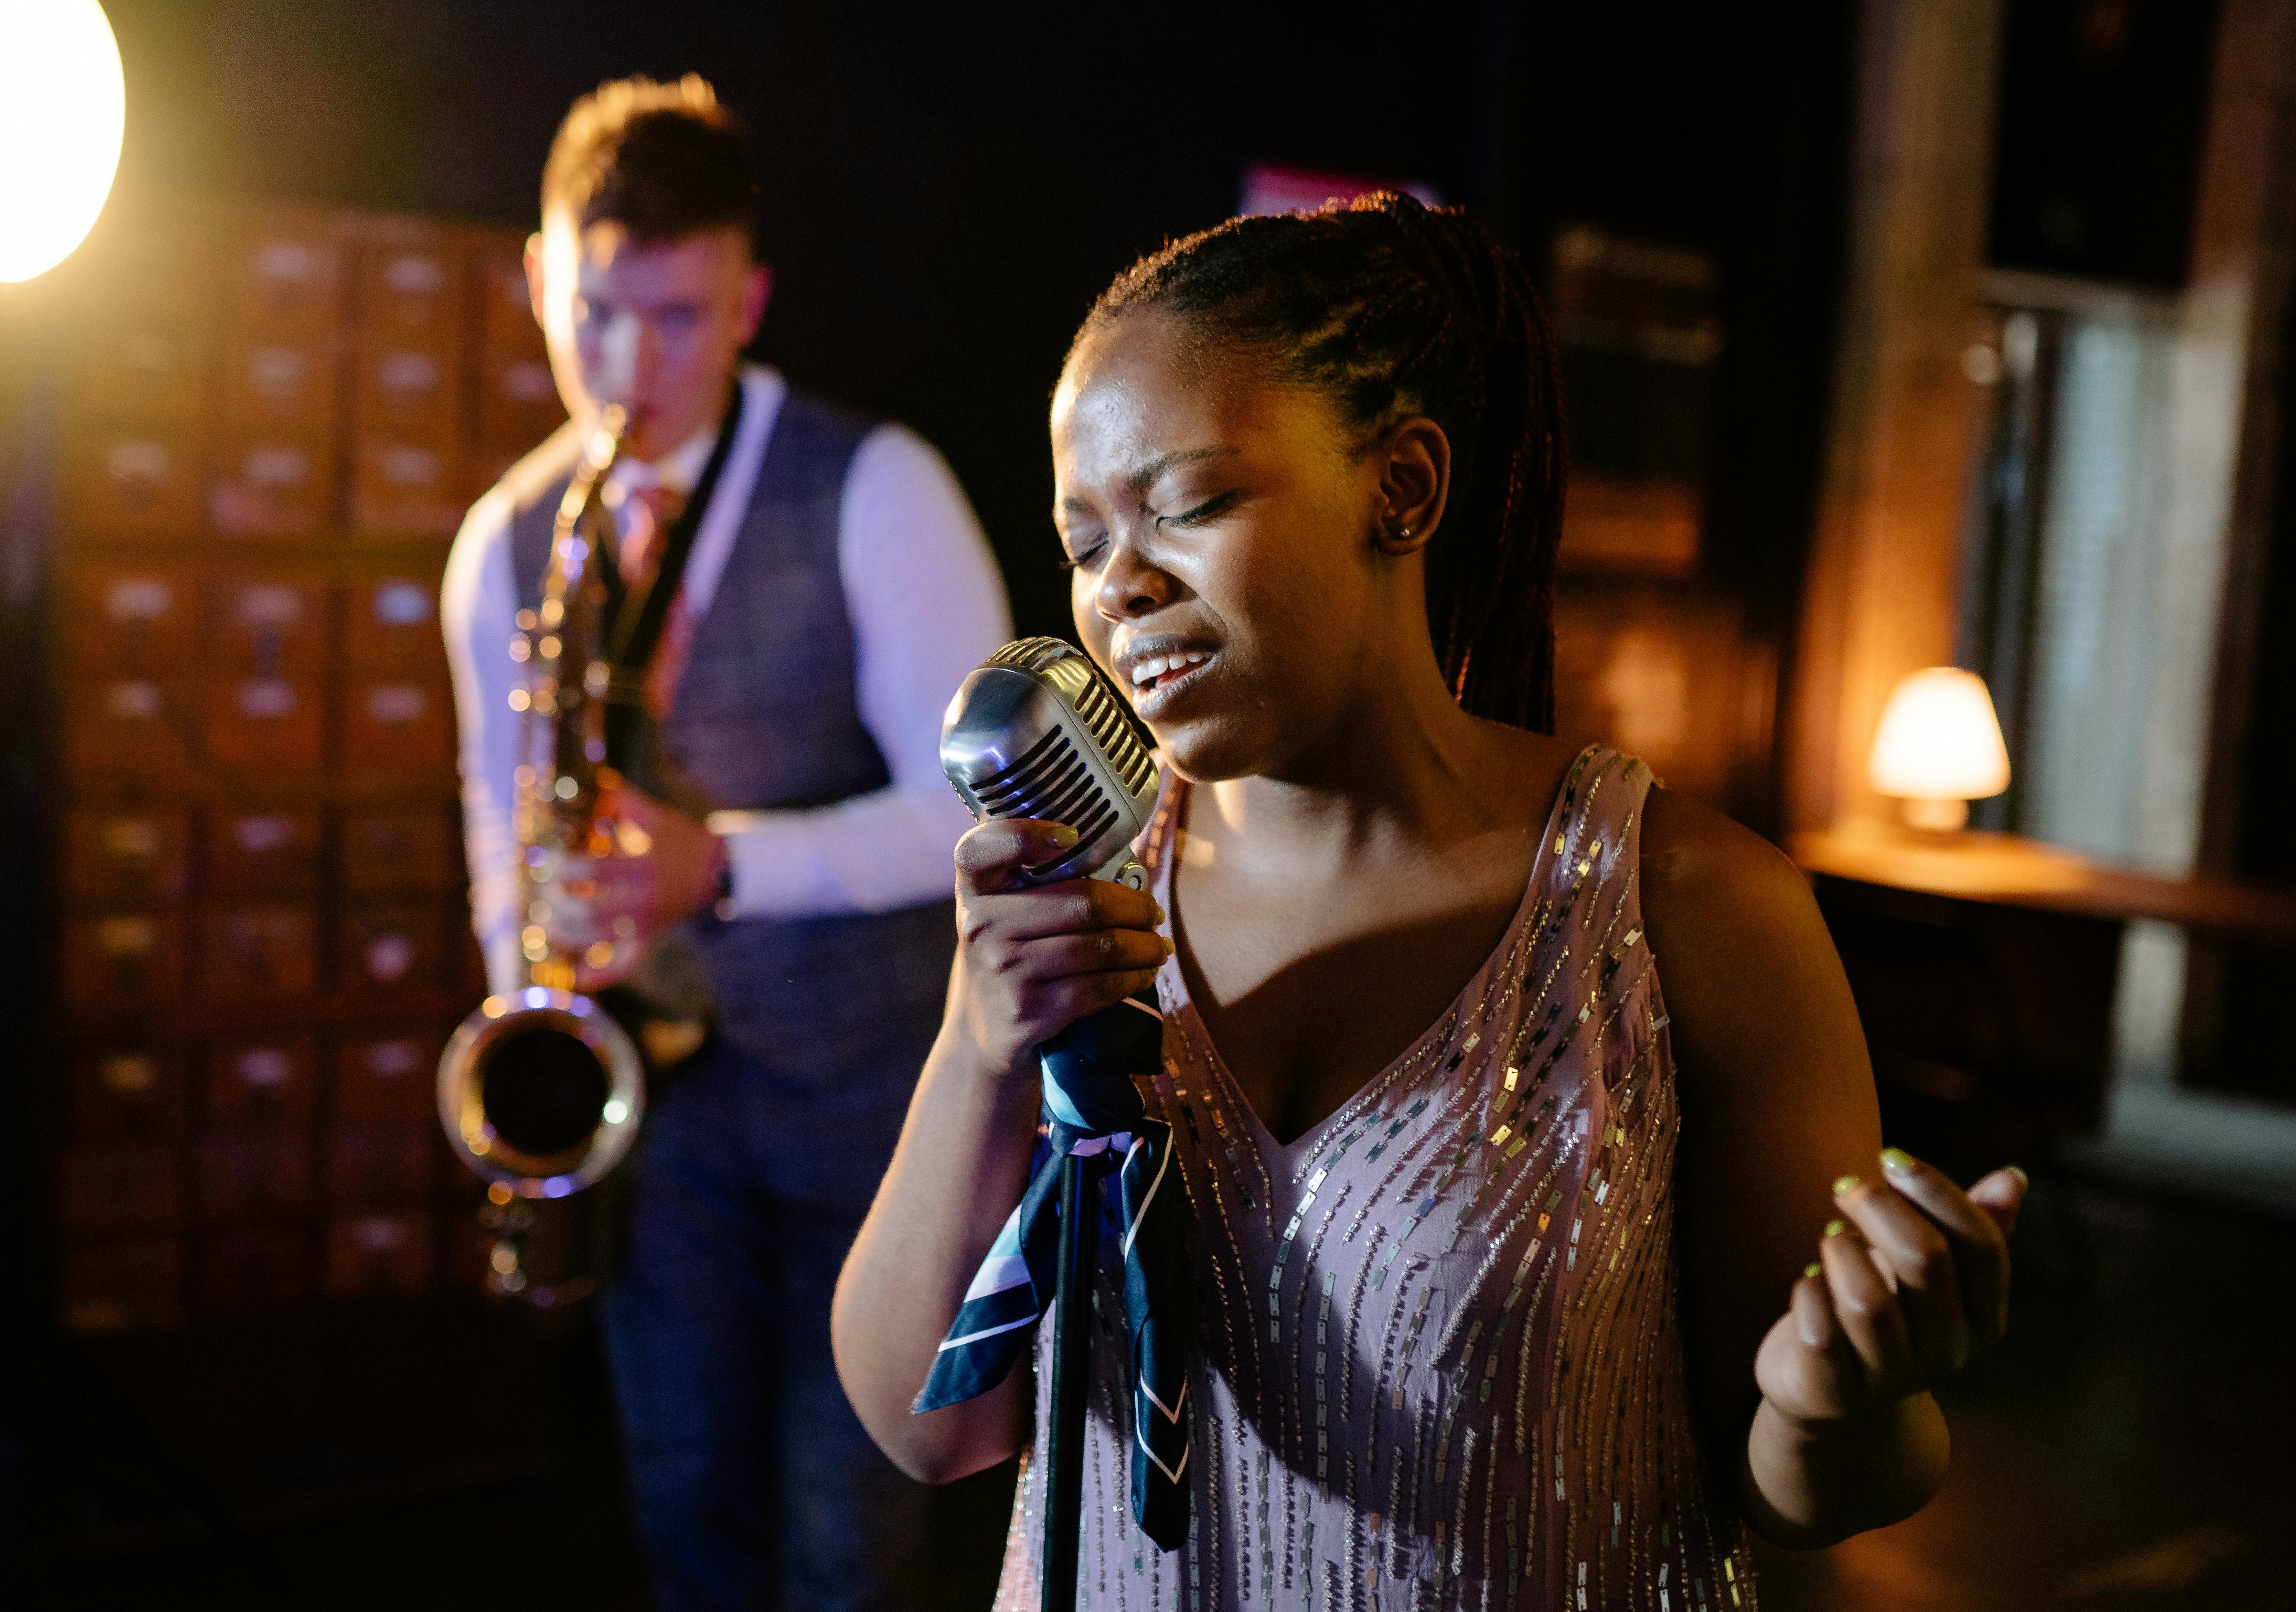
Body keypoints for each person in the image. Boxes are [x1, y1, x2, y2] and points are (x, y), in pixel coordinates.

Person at [830, 192, 2029, 1610]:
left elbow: (1813, 1487)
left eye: (1190, 505)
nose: (1123, 587)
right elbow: (931, 1427)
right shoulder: (1084, 889)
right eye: (1084, 542)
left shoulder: (1687, 911)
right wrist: (983, 1047)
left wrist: (1832, 1402)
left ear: (1401, 489)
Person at [442, 75, 1012, 1612]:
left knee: (850, 1551)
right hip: (660, 1124)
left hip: (869, 1112)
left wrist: (722, 868)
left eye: (678, 318)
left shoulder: (877, 485)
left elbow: (982, 810)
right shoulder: (504, 537)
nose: (627, 366)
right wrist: (539, 1008)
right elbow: (503, 819)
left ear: (749, 298)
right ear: (539, 278)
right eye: (595, 311)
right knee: (687, 1524)